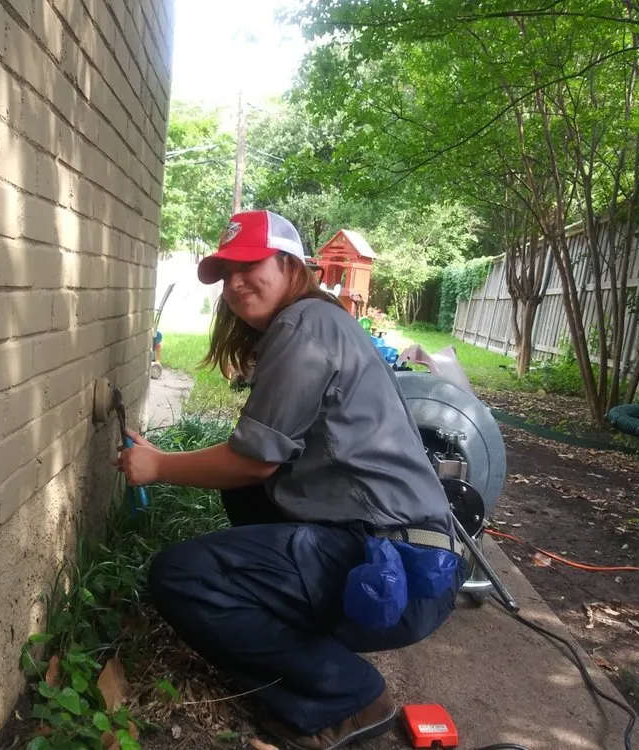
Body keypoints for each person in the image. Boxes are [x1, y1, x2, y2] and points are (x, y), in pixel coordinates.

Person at [116, 210, 466, 750]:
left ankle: (347, 697)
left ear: (288, 265)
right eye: (224, 273)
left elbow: (254, 459)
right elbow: (261, 464)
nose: (234, 283)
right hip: (406, 558)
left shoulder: (304, 325)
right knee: (248, 494)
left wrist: (159, 466)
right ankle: (306, 638)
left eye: (248, 266)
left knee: (181, 576)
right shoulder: (321, 322)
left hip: (393, 572)